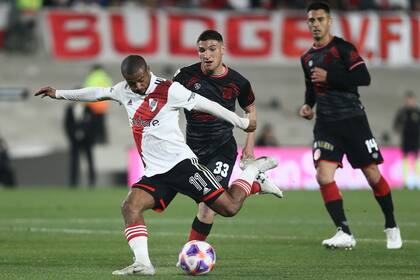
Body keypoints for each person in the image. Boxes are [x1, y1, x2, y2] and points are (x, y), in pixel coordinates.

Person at [35, 55, 282, 275]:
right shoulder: (124, 91)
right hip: (155, 173)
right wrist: (59, 94)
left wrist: (239, 120)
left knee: (229, 208)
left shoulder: (170, 89)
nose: (138, 86)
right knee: (130, 207)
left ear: (148, 71)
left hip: (182, 166)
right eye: (133, 83)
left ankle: (251, 173)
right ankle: (143, 264)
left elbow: (206, 104)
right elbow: (97, 93)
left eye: (141, 80)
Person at [299, 2, 402, 249]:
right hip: (326, 124)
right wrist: (308, 105)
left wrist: (330, 77)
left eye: (320, 19)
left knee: (372, 175)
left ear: (329, 21)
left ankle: (391, 225)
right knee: (323, 176)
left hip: (353, 120)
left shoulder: (343, 49)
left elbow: (363, 78)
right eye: (311, 20)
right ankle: (344, 232)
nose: (315, 24)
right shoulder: (307, 58)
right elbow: (311, 87)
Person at [173, 29, 283, 244]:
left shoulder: (238, 82)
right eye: (202, 50)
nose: (207, 54)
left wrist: (249, 147)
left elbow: (250, 110)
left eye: (212, 49)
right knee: (213, 203)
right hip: (192, 151)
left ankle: (192, 252)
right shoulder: (185, 76)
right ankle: (254, 183)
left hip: (221, 149)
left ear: (223, 50)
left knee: (208, 208)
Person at [64, 102, 96, 187]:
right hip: (74, 140)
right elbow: (67, 124)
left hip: (87, 140)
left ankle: (92, 181)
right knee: (74, 161)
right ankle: (73, 182)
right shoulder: (70, 109)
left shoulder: (88, 108)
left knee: (89, 160)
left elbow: (92, 124)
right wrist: (74, 134)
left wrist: (84, 133)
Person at [393, 90, 420, 189]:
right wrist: (400, 129)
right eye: (408, 100)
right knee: (405, 158)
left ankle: (417, 181)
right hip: (406, 138)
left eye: (411, 99)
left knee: (416, 157)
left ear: (414, 100)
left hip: (416, 138)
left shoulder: (417, 111)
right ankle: (405, 182)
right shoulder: (402, 112)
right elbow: (396, 124)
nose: (409, 101)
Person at [84, 64, 113, 144]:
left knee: (94, 123)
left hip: (93, 104)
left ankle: (95, 139)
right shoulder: (106, 77)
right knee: (101, 122)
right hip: (103, 104)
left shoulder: (91, 77)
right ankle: (103, 139)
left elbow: (87, 90)